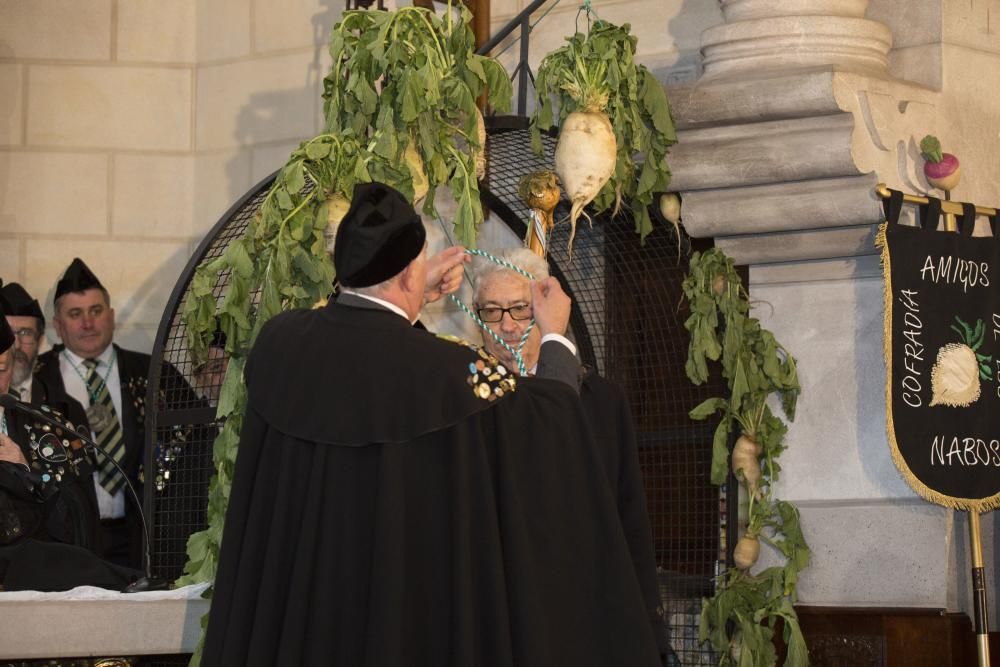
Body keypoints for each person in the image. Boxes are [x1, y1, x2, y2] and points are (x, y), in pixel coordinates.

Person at [201, 182, 660, 666]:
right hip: (401, 628)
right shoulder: (452, 373)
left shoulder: (280, 346)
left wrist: (410, 295)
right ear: (405, 276)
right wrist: (554, 339)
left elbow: (366, 345)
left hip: (302, 626)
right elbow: (548, 425)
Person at [472, 246, 676, 665]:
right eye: (492, 311)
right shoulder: (467, 403)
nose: (507, 325)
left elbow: (629, 516)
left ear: (548, 313)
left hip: (586, 604)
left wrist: (650, 625)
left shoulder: (600, 401)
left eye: (520, 309)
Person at [33, 259, 155, 569]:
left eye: (96, 311)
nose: (88, 323)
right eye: (75, 314)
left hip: (141, 539)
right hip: (70, 543)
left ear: (111, 316)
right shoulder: (37, 381)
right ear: (58, 326)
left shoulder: (153, 374)